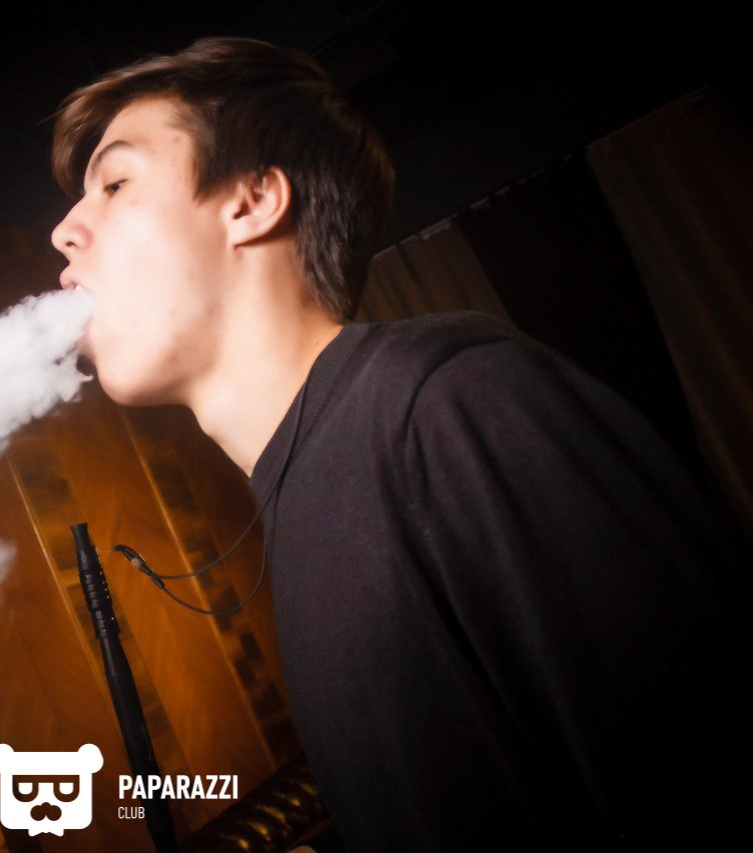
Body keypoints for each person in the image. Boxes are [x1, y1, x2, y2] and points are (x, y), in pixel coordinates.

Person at [48, 36, 752, 852]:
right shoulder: (309, 487)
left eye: (116, 183)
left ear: (252, 201)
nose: (64, 231)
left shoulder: (455, 405)